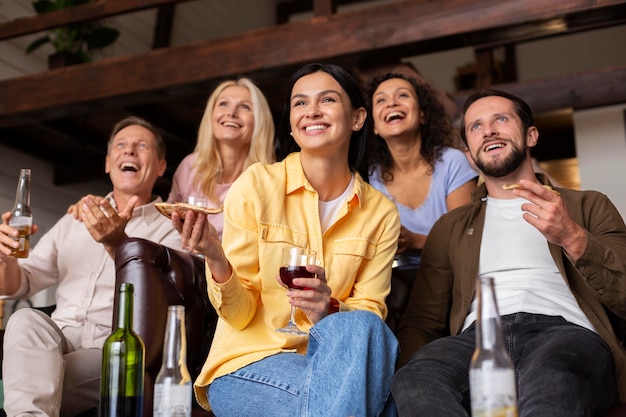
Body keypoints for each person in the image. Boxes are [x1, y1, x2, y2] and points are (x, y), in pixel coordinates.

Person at [172, 63, 401, 416]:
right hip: (248, 365)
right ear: (292, 125)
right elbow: (239, 313)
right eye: (299, 103)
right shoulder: (257, 186)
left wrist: (330, 308)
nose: (311, 111)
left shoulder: (381, 213)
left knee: (364, 324)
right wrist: (215, 256)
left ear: (357, 118)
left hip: (334, 365)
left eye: (327, 99)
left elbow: (370, 316)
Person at [391, 88, 626, 416]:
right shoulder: (451, 227)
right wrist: (407, 368)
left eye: (501, 119)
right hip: (477, 339)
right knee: (415, 380)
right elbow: (421, 322)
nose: (488, 130)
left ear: (531, 135)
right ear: (470, 156)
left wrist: (573, 236)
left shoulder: (588, 205)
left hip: (564, 334)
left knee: (552, 385)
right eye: (476, 126)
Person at [0, 116, 182, 417]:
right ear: (108, 163)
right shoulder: (75, 218)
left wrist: (117, 243)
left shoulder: (171, 228)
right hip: (56, 337)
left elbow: (162, 298)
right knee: (25, 320)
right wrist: (5, 259)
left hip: (113, 350)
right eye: (121, 146)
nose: (130, 152)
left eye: (141, 146)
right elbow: (19, 283)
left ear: (161, 167)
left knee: (35, 383)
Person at [365, 73, 477, 267]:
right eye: (381, 100)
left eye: (403, 95)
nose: (392, 103)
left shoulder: (452, 162)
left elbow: (465, 240)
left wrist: (415, 241)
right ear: (374, 126)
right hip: (391, 286)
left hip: (452, 278)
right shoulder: (367, 177)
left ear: (423, 115)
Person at [166, 77, 275, 239]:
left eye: (245, 107)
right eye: (224, 104)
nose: (231, 113)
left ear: (260, 121)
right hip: (186, 259)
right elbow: (167, 222)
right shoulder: (190, 165)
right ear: (211, 115)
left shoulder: (270, 178)